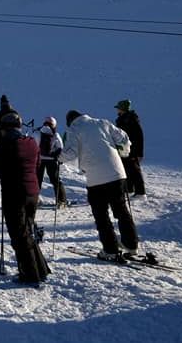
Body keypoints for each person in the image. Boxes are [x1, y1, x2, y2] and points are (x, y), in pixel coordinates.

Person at [60, 110, 139, 260]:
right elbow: (124, 138)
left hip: (96, 180)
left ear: (70, 121)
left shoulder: (74, 129)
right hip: (117, 175)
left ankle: (110, 249)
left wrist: (58, 156)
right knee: (122, 211)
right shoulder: (103, 122)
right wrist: (124, 153)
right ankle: (131, 245)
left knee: (102, 216)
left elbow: (70, 153)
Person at [0, 112, 51, 286]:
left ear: (5, 128)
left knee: (19, 235)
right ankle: (41, 268)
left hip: (14, 194)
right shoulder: (31, 142)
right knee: (27, 231)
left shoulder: (6, 144)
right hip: (32, 192)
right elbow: (38, 164)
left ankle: (30, 274)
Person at [115, 100, 146, 199]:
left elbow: (139, 136)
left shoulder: (132, 120)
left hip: (132, 150)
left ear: (122, 109)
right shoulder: (122, 119)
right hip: (124, 149)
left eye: (118, 108)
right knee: (126, 169)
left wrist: (139, 153)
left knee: (135, 171)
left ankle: (140, 192)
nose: (117, 110)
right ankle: (129, 189)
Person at [34, 117, 67, 207]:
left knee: (37, 180)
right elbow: (60, 148)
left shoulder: (38, 133)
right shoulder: (56, 135)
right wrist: (59, 158)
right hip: (52, 160)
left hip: (39, 160)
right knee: (56, 180)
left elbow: (34, 146)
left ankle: (34, 200)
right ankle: (61, 201)